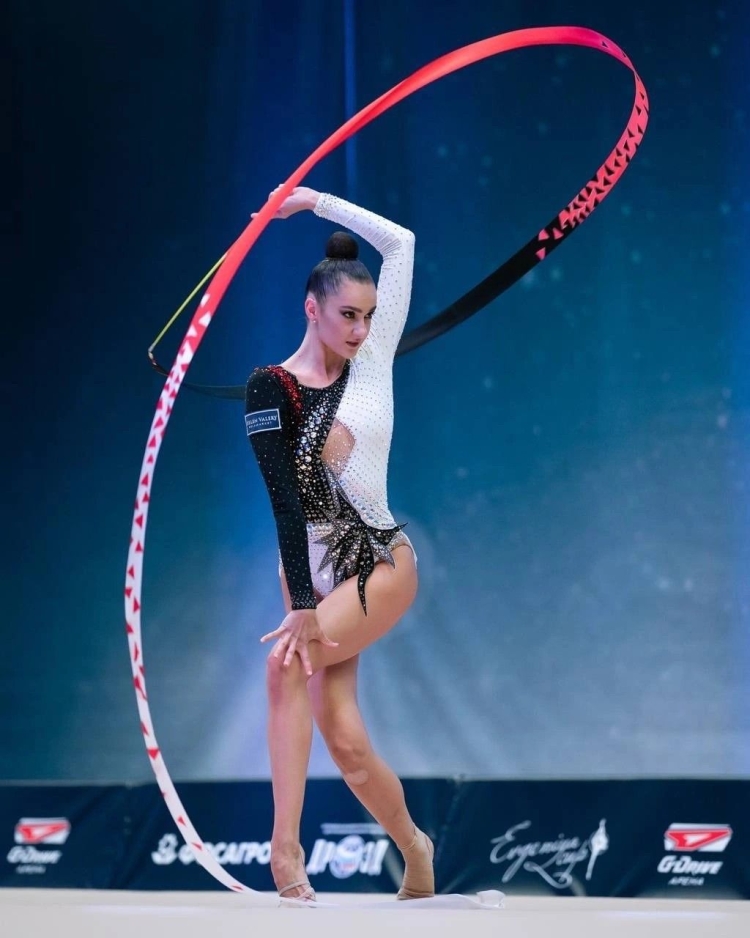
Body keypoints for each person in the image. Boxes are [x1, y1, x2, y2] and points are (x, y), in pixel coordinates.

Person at [244, 186, 433, 903]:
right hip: (314, 573)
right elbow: (284, 502)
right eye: (347, 315)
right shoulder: (271, 387)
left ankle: (284, 851)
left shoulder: (374, 359)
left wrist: (313, 201)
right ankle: (415, 846)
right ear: (311, 309)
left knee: (283, 666)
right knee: (347, 745)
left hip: (379, 558)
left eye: (368, 315)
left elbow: (401, 243)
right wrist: (301, 598)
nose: (360, 329)